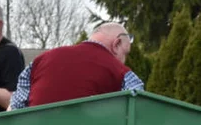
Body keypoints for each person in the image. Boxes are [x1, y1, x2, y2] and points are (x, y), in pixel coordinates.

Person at [9, 22, 144, 110]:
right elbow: (139, 110)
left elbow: (15, 109)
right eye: (125, 54)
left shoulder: (39, 61)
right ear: (117, 44)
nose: (124, 61)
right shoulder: (122, 73)